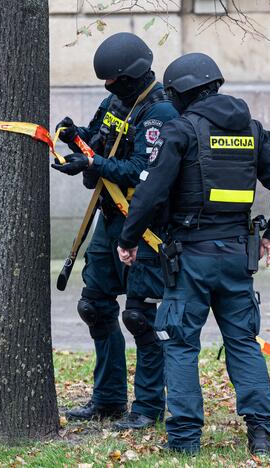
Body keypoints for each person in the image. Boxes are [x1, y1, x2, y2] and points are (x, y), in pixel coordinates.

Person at [116, 52, 270, 457]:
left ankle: (183, 441)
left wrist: (128, 239)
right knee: (243, 341)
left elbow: (150, 192)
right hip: (237, 255)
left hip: (189, 258)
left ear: (181, 93)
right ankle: (261, 435)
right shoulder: (252, 130)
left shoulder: (181, 131)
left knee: (180, 345)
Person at [52, 32, 179, 430]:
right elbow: (97, 140)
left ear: (136, 75)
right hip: (109, 221)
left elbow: (143, 172)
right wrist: (76, 138)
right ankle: (107, 400)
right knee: (95, 306)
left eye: (114, 81)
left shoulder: (160, 114)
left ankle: (146, 407)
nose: (109, 88)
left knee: (141, 317)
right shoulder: (114, 102)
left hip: (144, 227)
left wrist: (91, 166)